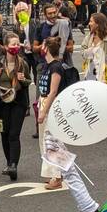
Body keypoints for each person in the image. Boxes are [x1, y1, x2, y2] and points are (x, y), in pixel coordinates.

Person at [0, 32, 29, 178]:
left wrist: (23, 80)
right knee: (4, 134)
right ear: (6, 46)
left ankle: (13, 165)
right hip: (1, 102)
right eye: (13, 44)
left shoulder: (22, 63)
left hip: (18, 102)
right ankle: (9, 162)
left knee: (14, 134)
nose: (16, 47)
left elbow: (28, 82)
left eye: (18, 44)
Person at [35, 36, 70, 190]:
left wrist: (43, 111)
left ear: (47, 49)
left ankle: (58, 176)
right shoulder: (46, 66)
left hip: (52, 106)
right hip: (44, 102)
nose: (41, 49)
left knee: (52, 141)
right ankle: (54, 173)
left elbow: (53, 91)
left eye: (43, 46)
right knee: (44, 140)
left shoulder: (56, 67)